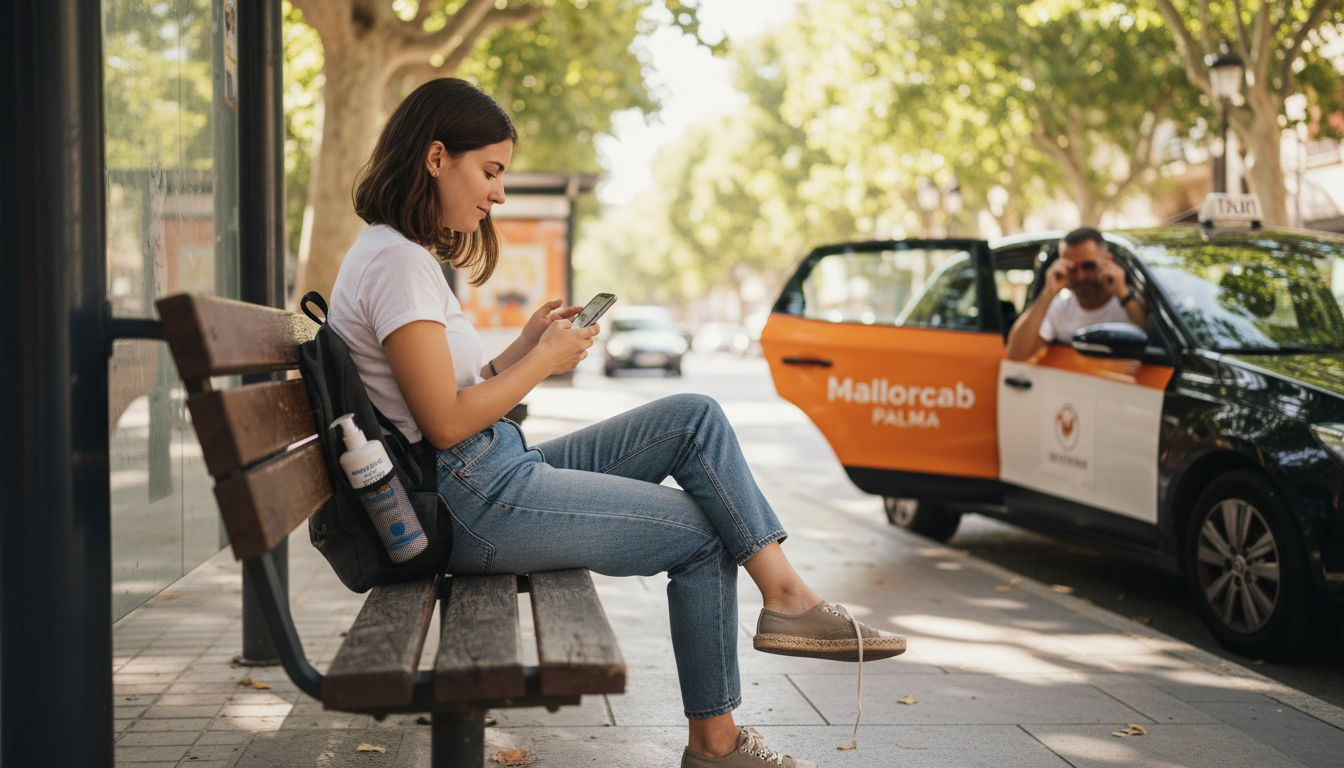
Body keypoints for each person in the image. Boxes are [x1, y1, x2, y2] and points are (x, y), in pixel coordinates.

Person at [327, 78, 906, 768]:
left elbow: (443, 397)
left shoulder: (399, 256)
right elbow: (446, 426)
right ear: (435, 157)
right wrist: (542, 362)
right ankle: (718, 745)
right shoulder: (395, 263)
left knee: (693, 416)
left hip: (488, 471)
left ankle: (786, 596)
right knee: (702, 531)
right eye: (491, 171)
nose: (498, 194)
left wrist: (519, 351)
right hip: (471, 498)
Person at [1004, 227, 1149, 361]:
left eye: (1088, 266)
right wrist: (1048, 293)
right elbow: (1016, 353)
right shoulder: (1059, 309)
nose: (1080, 276)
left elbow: (1159, 340)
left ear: (1108, 260)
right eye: (1071, 268)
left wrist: (1123, 294)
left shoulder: (1132, 302)